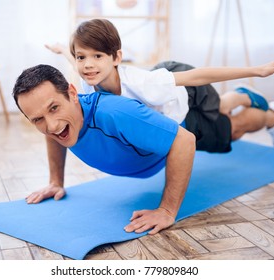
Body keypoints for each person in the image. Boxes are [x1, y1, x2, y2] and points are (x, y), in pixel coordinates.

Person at [46, 19, 274, 152]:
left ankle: (261, 107)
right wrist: (62, 51)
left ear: (116, 58)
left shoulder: (142, 82)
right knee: (220, 110)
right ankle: (242, 96)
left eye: (97, 56)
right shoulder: (89, 81)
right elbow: (75, 61)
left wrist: (257, 70)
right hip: (166, 91)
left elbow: (199, 76)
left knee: (223, 116)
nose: (87, 65)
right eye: (82, 57)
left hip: (185, 87)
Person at [13, 64, 196, 235]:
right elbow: (52, 132)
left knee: (223, 125)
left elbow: (185, 141)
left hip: (191, 104)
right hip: (154, 110)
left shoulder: (114, 112)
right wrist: (55, 182)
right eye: (38, 119)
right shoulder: (60, 123)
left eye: (54, 108)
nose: (51, 126)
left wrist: (166, 211)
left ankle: (225, 102)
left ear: (72, 93)